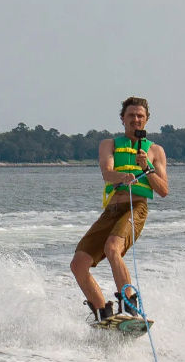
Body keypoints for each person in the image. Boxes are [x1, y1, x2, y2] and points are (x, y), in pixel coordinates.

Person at [70, 96, 169, 321]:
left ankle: (130, 303)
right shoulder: (109, 144)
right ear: (123, 119)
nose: (136, 119)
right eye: (131, 115)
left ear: (146, 120)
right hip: (111, 211)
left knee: (112, 248)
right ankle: (102, 311)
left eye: (140, 116)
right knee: (78, 264)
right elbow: (107, 172)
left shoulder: (155, 151)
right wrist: (123, 176)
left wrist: (148, 168)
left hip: (136, 208)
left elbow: (163, 190)